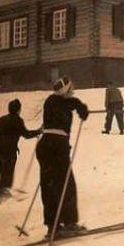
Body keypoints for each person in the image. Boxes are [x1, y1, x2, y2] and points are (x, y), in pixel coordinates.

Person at [36, 76, 89, 237]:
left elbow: (68, 103)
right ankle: (69, 223)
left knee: (49, 186)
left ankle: (53, 226)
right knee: (66, 184)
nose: (73, 92)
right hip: (57, 146)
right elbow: (71, 103)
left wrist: (78, 105)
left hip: (45, 146)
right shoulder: (62, 101)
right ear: (65, 90)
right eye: (71, 89)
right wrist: (81, 107)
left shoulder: (50, 101)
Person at [0, 98, 41, 199]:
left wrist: (1, 143)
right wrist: (38, 131)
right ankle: (3, 192)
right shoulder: (17, 120)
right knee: (8, 170)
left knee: (3, 170)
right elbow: (26, 134)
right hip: (9, 150)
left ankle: (2, 190)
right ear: (18, 110)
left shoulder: (2, 119)